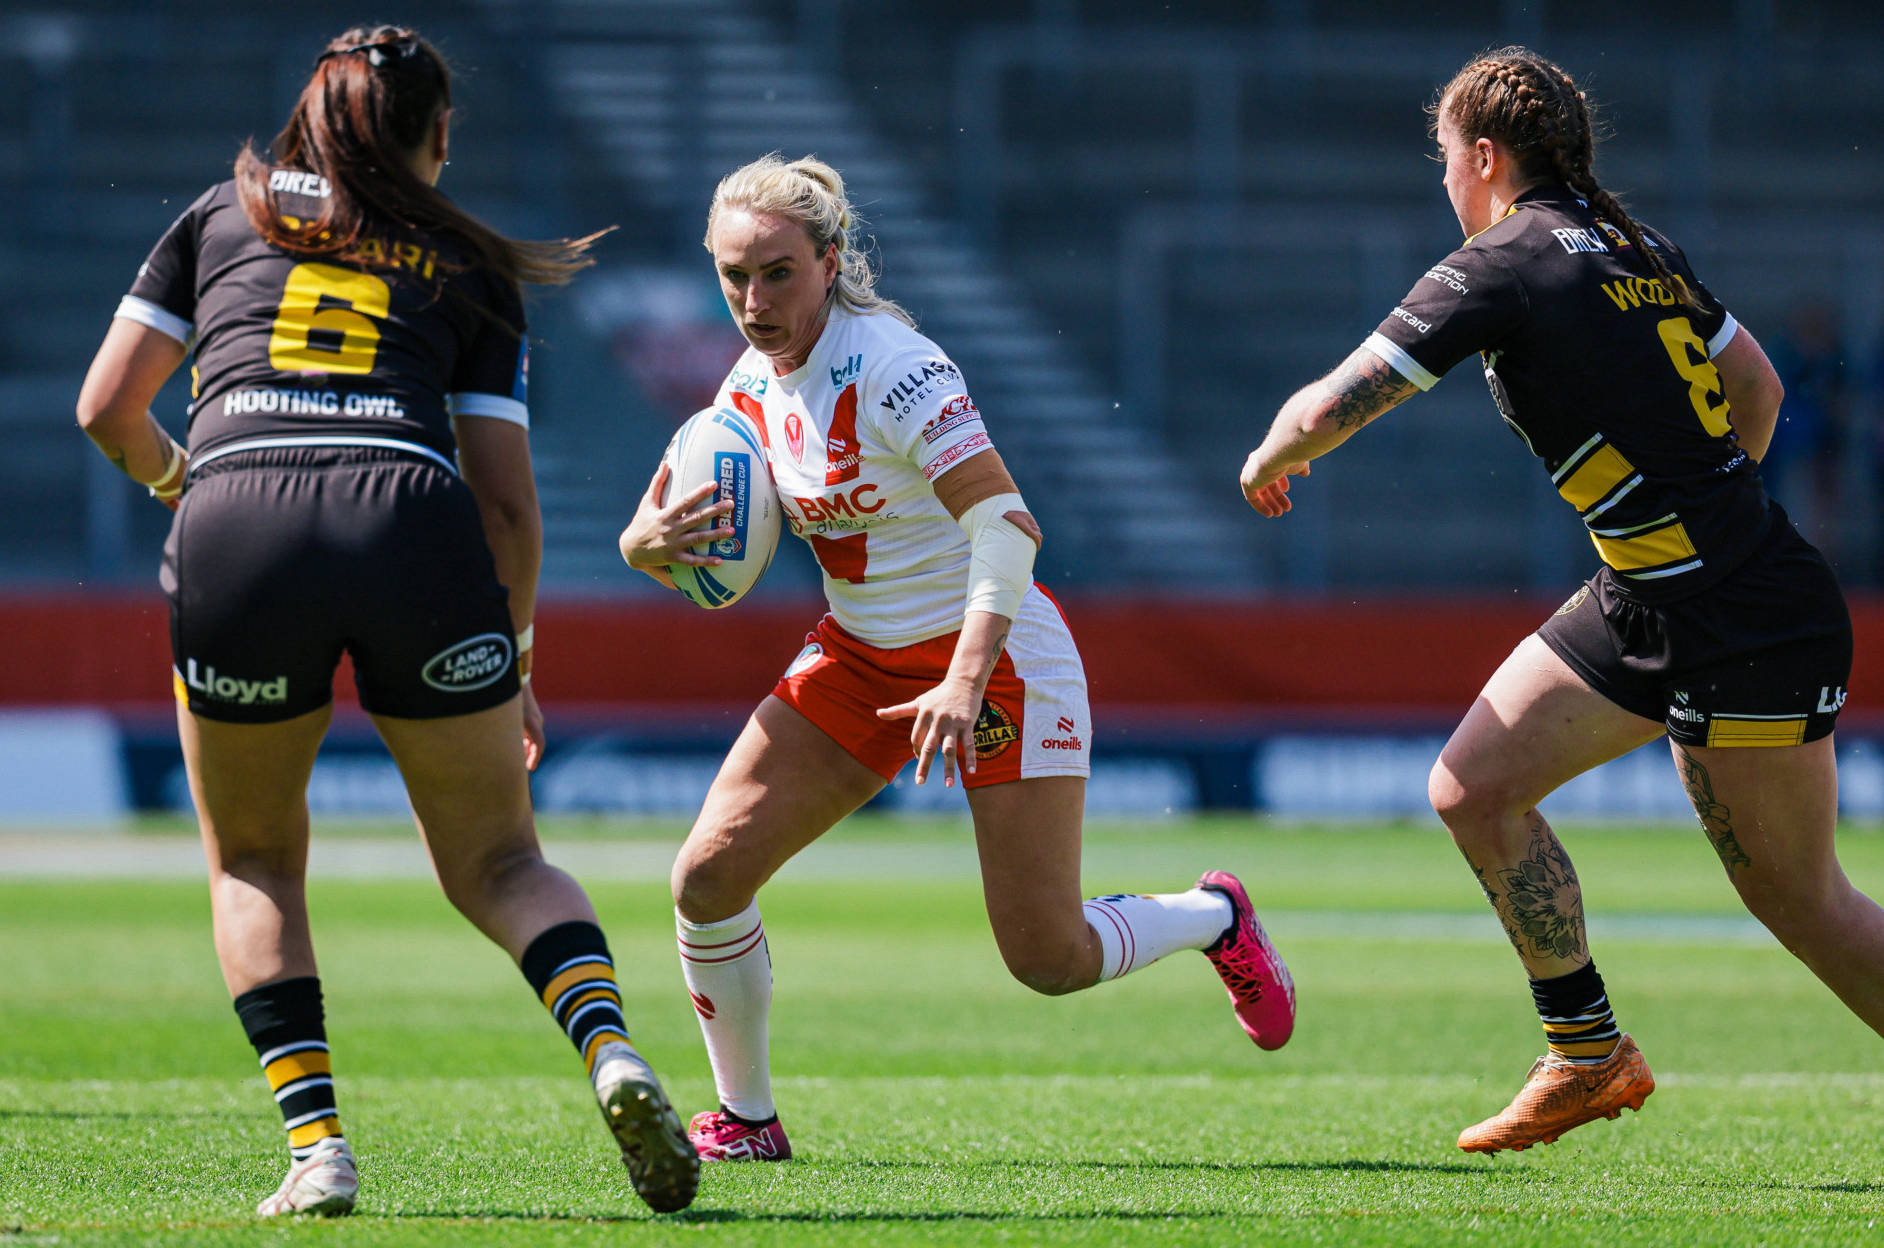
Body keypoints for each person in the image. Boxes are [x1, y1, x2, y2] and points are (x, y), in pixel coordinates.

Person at [75, 25, 697, 1216]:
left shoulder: (221, 216)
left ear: (312, 120)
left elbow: (108, 408)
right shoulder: (464, 256)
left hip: (238, 517)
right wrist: (510, 662)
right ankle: (611, 1050)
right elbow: (511, 512)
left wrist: (182, 484)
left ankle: (318, 1150)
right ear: (439, 138)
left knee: (254, 859)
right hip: (408, 514)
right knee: (502, 863)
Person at [1239, 46, 1876, 1155]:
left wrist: (1269, 457)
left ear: (1483, 155)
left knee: (1801, 900)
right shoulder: (1639, 245)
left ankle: (1587, 1052)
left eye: (1444, 157)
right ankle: (1587, 1053)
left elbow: (1334, 403)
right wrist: (1706, 512)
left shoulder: (1502, 261)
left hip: (1741, 614)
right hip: (1655, 593)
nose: (1444, 179)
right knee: (1472, 789)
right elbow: (1756, 389)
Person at [618, 153, 1296, 1162]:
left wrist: (964, 679)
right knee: (707, 880)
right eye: (732, 277)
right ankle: (749, 1121)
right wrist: (644, 546)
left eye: (777, 273)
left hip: (998, 656)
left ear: (830, 259)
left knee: (1049, 958)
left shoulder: (896, 365)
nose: (752, 302)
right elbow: (649, 529)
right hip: (859, 656)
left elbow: (1010, 527)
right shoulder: (749, 383)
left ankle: (1213, 916)